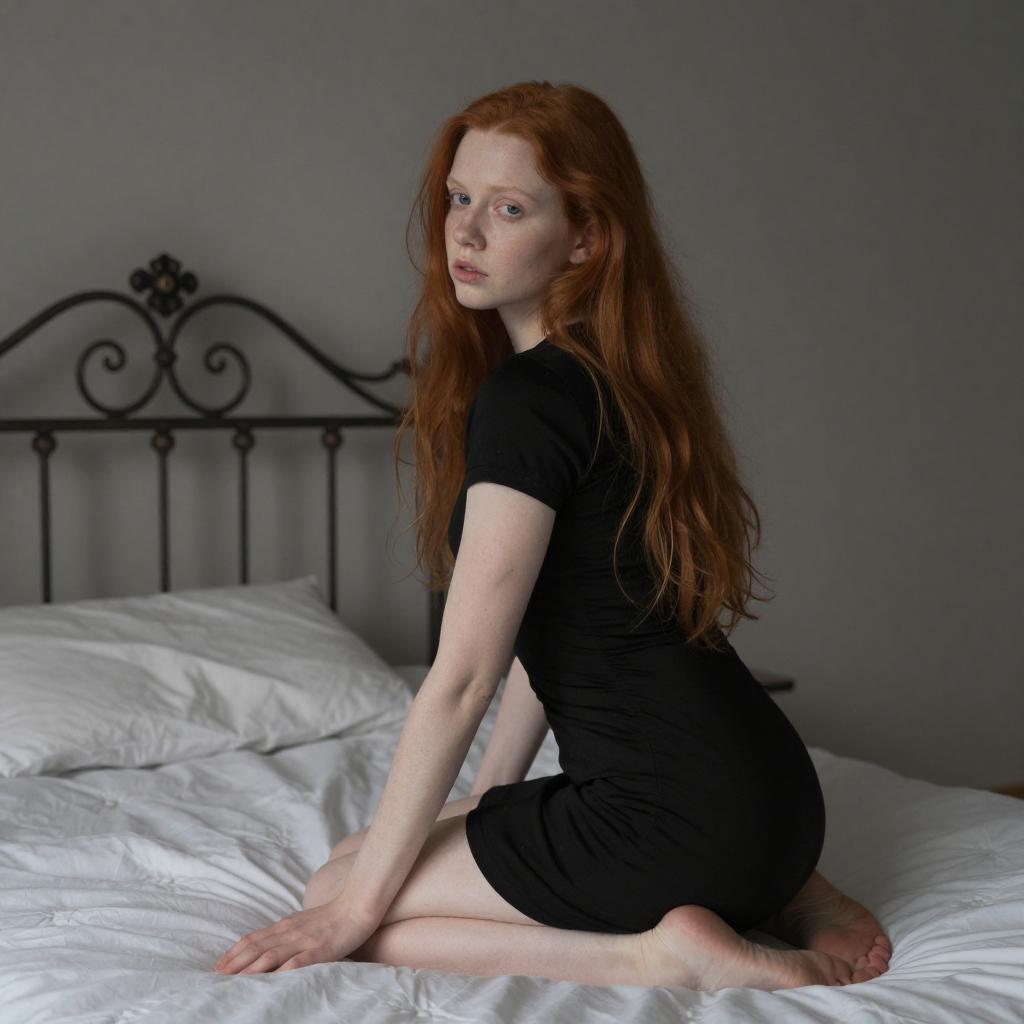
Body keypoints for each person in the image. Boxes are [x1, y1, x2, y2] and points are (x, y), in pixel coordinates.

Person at [213, 81, 892, 990]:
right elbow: (557, 633)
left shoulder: (528, 399)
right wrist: (492, 806)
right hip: (776, 805)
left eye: (509, 208)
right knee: (371, 862)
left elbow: (462, 679)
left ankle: (658, 956)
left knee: (343, 890)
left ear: (585, 236)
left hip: (674, 828)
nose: (465, 233)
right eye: (459, 199)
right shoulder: (625, 379)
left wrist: (350, 911)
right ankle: (791, 892)